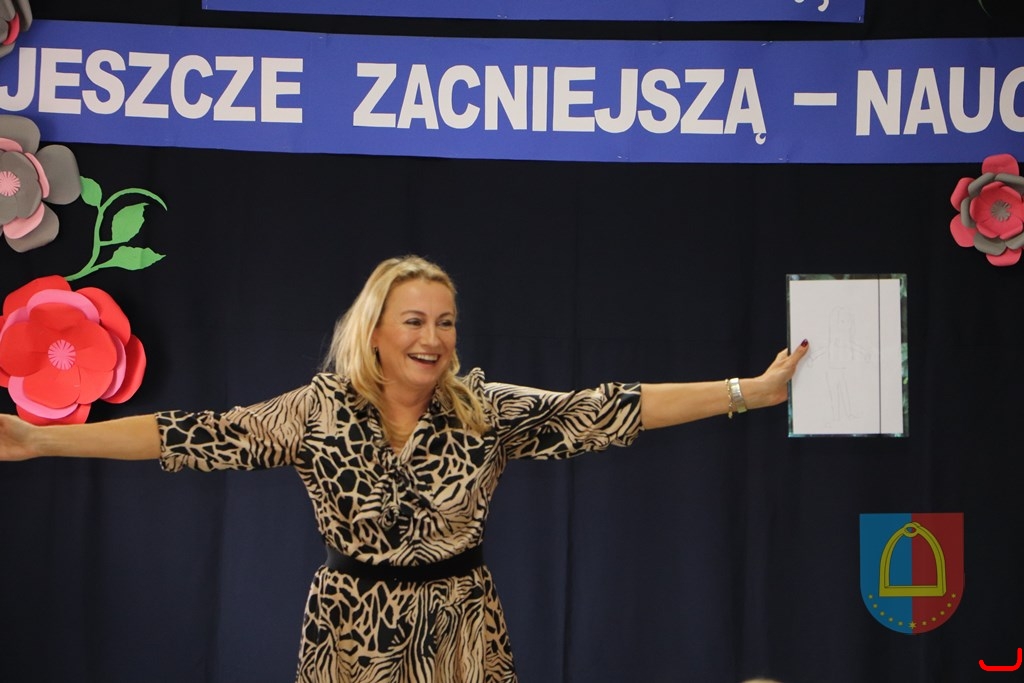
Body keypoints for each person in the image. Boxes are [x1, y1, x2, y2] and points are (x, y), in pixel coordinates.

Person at [0, 255, 808, 683]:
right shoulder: (317, 410)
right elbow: (190, 435)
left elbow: (610, 407)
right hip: (350, 634)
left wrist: (749, 390)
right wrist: (40, 439)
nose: (434, 337)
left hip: (461, 631)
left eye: (446, 322)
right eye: (415, 319)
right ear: (375, 331)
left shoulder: (484, 408)